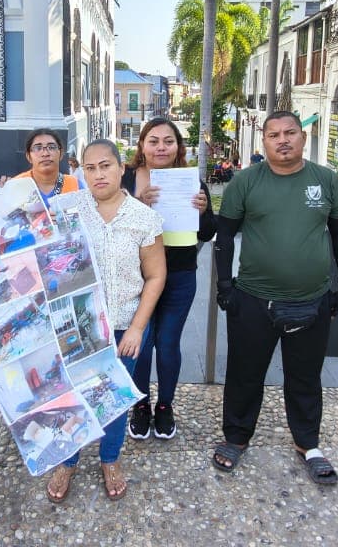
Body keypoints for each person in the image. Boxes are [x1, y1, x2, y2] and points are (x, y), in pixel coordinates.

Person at [211, 110, 338, 486]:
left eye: (290, 132)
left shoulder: (326, 181)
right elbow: (224, 237)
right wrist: (224, 287)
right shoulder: (245, 181)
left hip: (312, 300)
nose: (283, 140)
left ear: (303, 138)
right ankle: (236, 438)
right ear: (264, 142)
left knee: (305, 376)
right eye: (273, 134)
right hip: (253, 300)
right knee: (245, 375)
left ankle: (308, 444)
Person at [45, 139, 166, 503]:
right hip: (76, 326)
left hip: (123, 326)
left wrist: (137, 328)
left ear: (120, 168)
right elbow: (31, 243)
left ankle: (110, 459)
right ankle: (67, 460)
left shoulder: (143, 218)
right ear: (82, 171)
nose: (98, 174)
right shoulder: (66, 208)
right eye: (90, 167)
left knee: (113, 400)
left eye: (105, 166)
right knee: (72, 398)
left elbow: (156, 276)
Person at [121, 117, 216, 440]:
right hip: (135, 277)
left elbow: (208, 232)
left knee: (167, 342)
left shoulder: (192, 181)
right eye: (153, 141)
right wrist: (136, 204)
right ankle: (141, 404)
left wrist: (203, 212)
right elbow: (110, 223)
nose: (161, 147)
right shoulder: (127, 178)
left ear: (178, 147)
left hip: (179, 275)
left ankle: (165, 405)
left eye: (168, 141)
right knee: (141, 344)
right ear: (142, 146)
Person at [4, 129, 83, 205]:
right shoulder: (15, 186)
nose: (45, 153)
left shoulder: (75, 185)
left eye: (51, 147)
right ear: (29, 157)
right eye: (38, 148)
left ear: (61, 154)